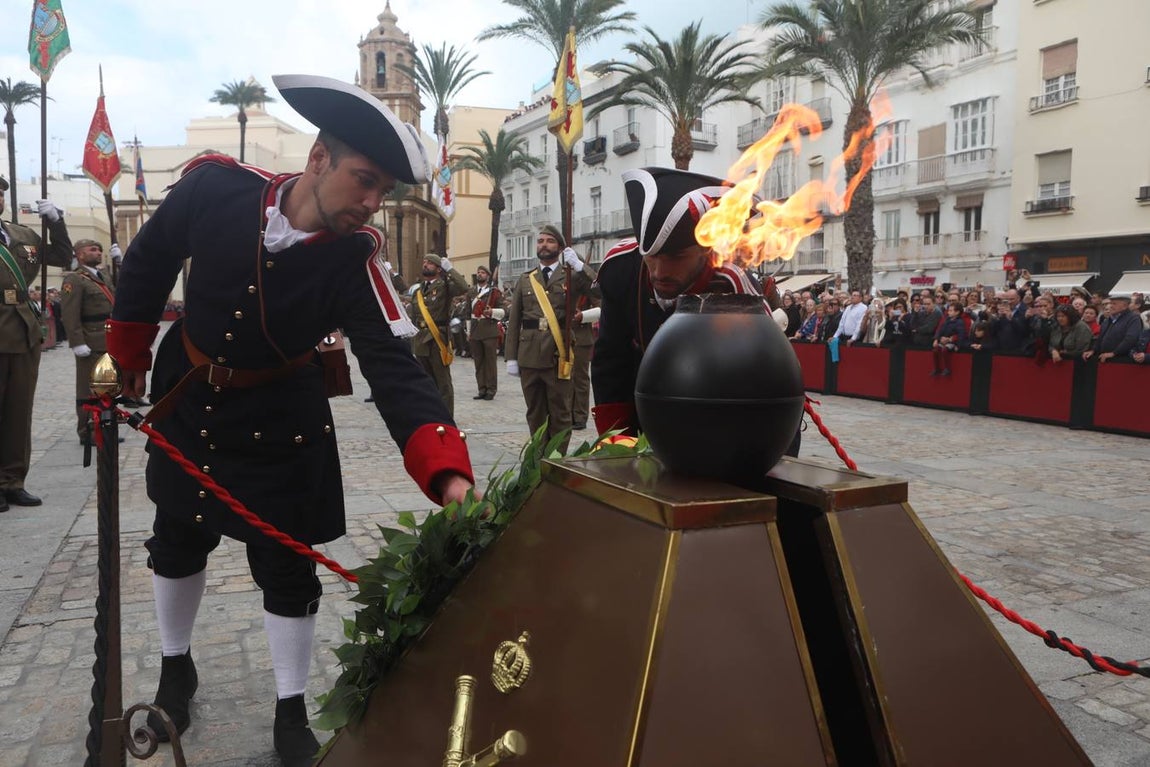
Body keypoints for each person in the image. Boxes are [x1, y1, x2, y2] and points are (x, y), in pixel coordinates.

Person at [106, 74, 475, 766]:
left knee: (286, 566)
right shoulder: (214, 188)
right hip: (190, 399)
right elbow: (151, 257)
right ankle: (175, 670)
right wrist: (127, 350)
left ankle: (290, 708)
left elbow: (393, 369)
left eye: (384, 192)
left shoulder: (357, 262)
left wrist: (447, 473)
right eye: (364, 181)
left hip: (283, 421)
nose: (372, 203)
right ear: (318, 158)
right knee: (176, 539)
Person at [590, 167, 798, 458]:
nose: (659, 272)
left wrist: (769, 459)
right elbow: (611, 363)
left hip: (721, 424)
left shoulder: (733, 286)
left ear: (706, 250)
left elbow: (768, 379)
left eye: (676, 257)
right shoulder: (620, 269)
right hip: (643, 416)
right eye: (651, 256)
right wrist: (619, 447)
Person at [0, 175, 73, 512]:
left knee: (19, 411)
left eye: (0, 194)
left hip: (23, 331)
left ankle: (12, 481)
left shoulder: (22, 235)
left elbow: (61, 255)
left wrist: (55, 222)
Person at [504, 224, 596, 453]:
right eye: (540, 241)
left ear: (561, 248)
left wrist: (580, 266)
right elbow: (514, 320)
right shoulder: (526, 279)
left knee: (560, 413)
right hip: (529, 355)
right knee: (534, 412)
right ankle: (538, 460)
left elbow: (600, 290)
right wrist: (511, 357)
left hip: (558, 354)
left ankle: (556, 459)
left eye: (549, 241)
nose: (544, 245)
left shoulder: (571, 276)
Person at [61, 238, 123, 445]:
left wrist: (120, 263)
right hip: (90, 341)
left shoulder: (102, 276)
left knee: (107, 388)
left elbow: (123, 289)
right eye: (93, 249)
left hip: (108, 339)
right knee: (88, 390)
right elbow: (70, 313)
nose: (98, 253)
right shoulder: (74, 279)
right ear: (80, 254)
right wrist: (77, 341)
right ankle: (88, 432)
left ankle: (105, 429)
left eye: (99, 250)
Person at [410, 253, 469, 417]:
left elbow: (464, 287)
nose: (425, 265)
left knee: (443, 383)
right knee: (425, 382)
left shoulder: (445, 286)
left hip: (437, 339)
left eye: (430, 263)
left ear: (438, 268)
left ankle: (446, 417)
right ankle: (430, 414)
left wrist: (450, 270)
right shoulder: (418, 291)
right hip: (421, 340)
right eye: (424, 262)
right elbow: (414, 316)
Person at [467, 265, 505, 401]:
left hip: (489, 329)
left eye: (483, 273)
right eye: (478, 272)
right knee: (478, 362)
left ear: (488, 276)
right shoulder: (471, 292)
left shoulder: (494, 291)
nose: (480, 274)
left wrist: (492, 312)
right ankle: (481, 389)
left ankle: (491, 389)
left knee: (490, 363)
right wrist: (468, 331)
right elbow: (468, 313)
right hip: (475, 330)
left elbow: (503, 310)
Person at [569, 291, 601, 431]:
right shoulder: (559, 282)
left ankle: (579, 416)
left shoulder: (586, 284)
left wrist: (583, 315)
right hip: (562, 336)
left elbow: (600, 308)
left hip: (581, 337)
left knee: (579, 378)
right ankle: (566, 414)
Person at [1083, 293, 1142, 363]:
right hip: (1104, 359)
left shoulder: (1133, 319)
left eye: (1114, 304)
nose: (1110, 306)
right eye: (1110, 303)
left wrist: (1114, 353)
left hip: (1121, 361)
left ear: (1125, 306)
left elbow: (1131, 339)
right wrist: (1093, 350)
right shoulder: (1108, 319)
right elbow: (1100, 338)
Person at [931, 301, 967, 376]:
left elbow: (961, 335)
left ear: (957, 312)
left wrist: (958, 345)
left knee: (945, 350)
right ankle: (937, 368)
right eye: (948, 310)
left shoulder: (959, 322)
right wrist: (937, 339)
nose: (948, 312)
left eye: (951, 311)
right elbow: (940, 330)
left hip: (952, 342)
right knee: (935, 350)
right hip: (943, 340)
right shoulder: (946, 320)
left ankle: (947, 368)